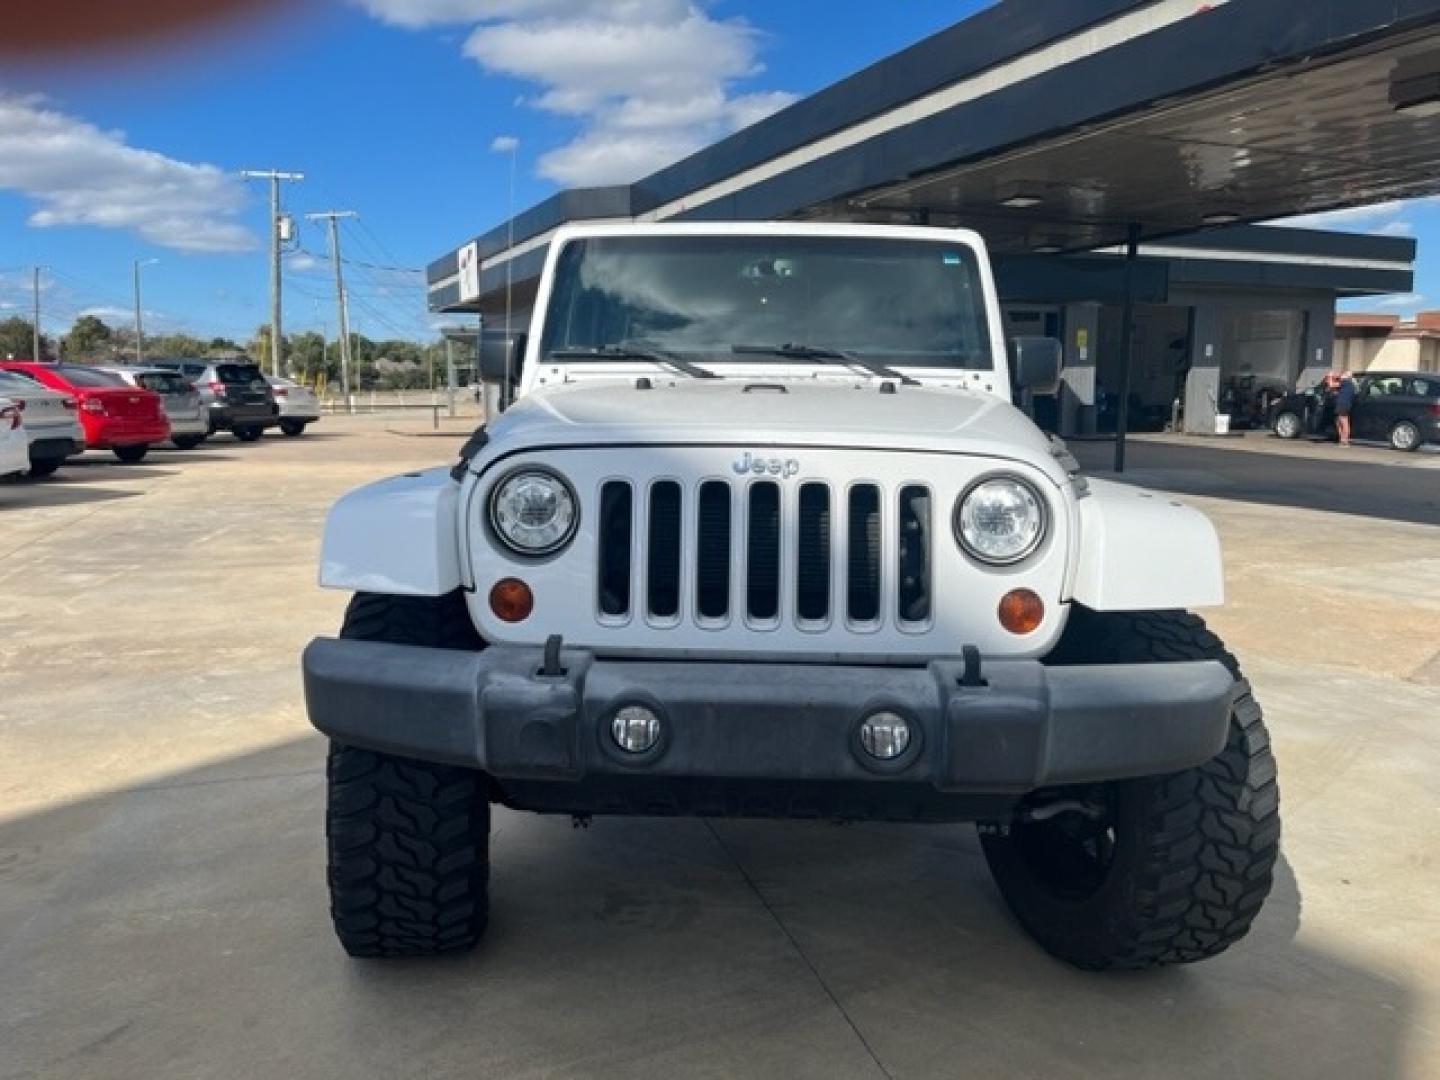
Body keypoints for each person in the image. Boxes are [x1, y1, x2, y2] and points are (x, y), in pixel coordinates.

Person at [1335, 371, 1357, 446]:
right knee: (1338, 421)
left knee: (1343, 421)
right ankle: (1342, 439)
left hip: (1343, 404)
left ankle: (1345, 441)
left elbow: (1332, 385)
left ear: (1347, 376)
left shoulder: (1345, 382)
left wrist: (1330, 377)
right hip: (1345, 404)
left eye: (1343, 374)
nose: (1341, 375)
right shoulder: (1349, 384)